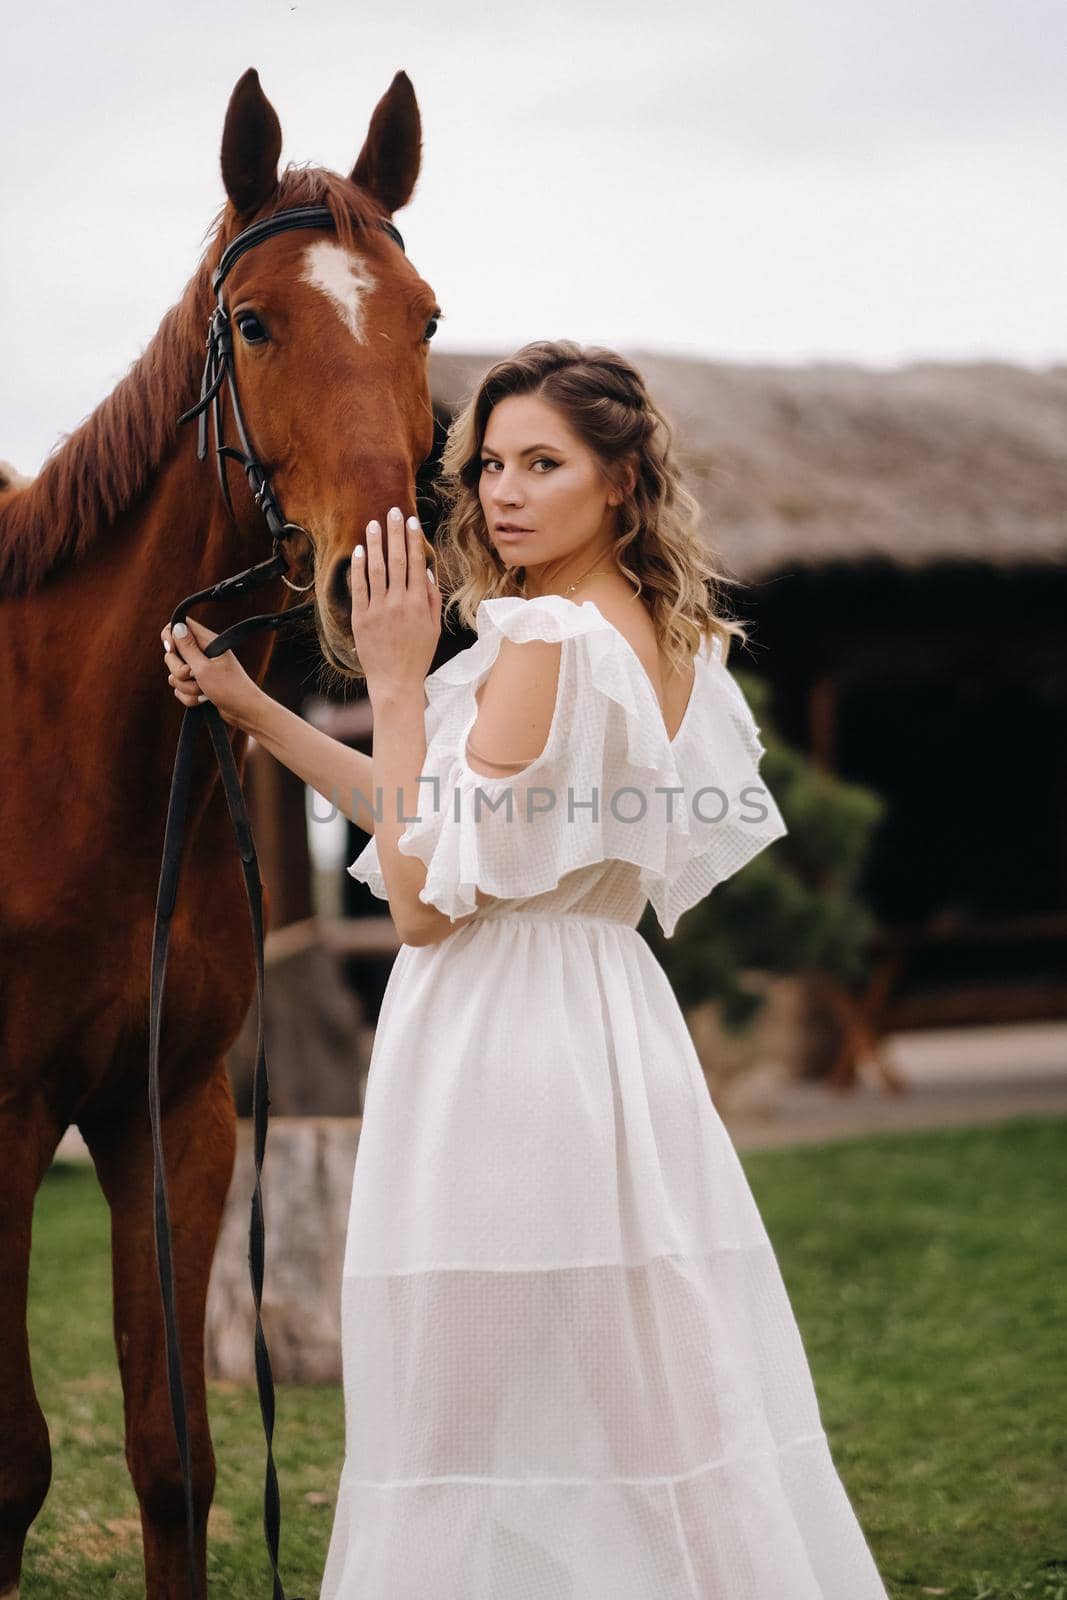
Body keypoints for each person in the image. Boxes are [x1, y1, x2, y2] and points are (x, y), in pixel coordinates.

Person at [162, 340, 889, 1598]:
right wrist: (253, 710)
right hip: (608, 1023)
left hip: (499, 1040)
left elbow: (421, 901)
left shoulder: (546, 637)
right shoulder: (666, 634)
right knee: (663, 1396)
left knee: (447, 1411)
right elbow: (437, 824)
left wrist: (393, 677)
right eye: (489, 463)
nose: (501, 490)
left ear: (619, 479)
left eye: (541, 462)